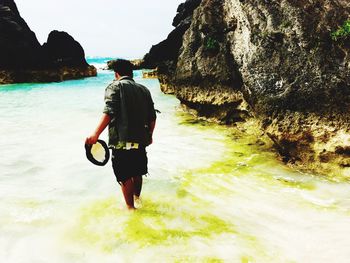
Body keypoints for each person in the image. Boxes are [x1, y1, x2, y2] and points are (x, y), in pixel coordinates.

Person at [85, 59, 156, 210]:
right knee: (137, 171)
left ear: (116, 74)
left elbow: (109, 112)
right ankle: (137, 199)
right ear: (131, 73)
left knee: (124, 174)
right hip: (140, 140)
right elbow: (152, 117)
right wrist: (149, 135)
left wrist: (95, 134)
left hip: (121, 141)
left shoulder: (114, 87)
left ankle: (131, 208)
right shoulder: (144, 90)